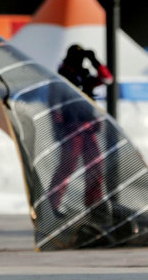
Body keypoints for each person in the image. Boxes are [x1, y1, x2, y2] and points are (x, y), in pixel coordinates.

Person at [48, 45, 115, 216]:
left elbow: (107, 79)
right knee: (68, 165)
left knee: (95, 165)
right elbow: (54, 105)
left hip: (88, 127)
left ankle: (94, 204)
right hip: (71, 127)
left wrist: (95, 62)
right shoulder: (62, 77)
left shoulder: (83, 75)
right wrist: (58, 128)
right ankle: (53, 205)